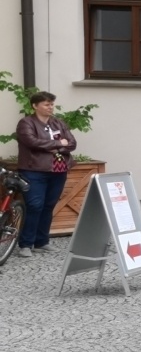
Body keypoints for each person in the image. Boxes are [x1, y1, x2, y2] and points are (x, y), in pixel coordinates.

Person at [12, 91, 77, 258]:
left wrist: (55, 146)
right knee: (35, 206)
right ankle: (26, 244)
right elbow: (32, 142)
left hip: (58, 171)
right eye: (47, 104)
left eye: (52, 104)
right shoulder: (26, 123)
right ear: (35, 106)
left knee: (48, 206)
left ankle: (42, 242)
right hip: (34, 171)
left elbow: (72, 143)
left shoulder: (58, 123)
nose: (50, 107)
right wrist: (57, 143)